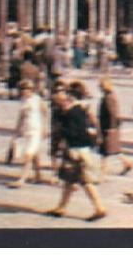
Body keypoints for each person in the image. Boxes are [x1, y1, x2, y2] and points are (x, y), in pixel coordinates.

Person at [45, 85, 106, 221]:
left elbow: (74, 133)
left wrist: (66, 144)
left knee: (85, 181)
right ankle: (61, 208)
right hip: (79, 149)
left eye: (61, 97)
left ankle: (99, 208)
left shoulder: (71, 113)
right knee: (69, 180)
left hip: (76, 150)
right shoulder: (78, 109)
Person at [9, 80, 48, 187]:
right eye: (22, 90)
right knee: (34, 154)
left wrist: (44, 128)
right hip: (26, 130)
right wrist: (17, 130)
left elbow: (45, 112)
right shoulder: (23, 100)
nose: (24, 92)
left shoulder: (37, 100)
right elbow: (21, 116)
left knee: (28, 155)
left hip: (36, 130)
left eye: (27, 89)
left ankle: (22, 179)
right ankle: (39, 175)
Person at [97, 76, 133, 175]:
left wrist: (111, 127)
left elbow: (112, 113)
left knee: (107, 150)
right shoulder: (110, 96)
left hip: (109, 128)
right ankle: (125, 163)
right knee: (111, 150)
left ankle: (104, 169)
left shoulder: (108, 98)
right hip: (110, 127)